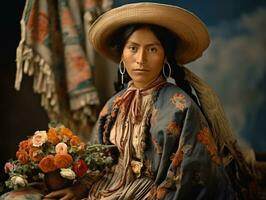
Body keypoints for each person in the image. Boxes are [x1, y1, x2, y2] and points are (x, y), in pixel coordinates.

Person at [1, 2, 258, 200]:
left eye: (152, 49)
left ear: (165, 57)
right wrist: (79, 188)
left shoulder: (180, 106)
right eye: (133, 48)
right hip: (105, 190)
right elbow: (98, 160)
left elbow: (194, 175)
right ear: (122, 55)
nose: (141, 59)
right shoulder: (114, 105)